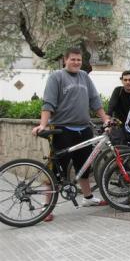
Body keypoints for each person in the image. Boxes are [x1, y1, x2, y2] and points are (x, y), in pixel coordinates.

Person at [32, 47, 110, 221]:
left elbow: (95, 101)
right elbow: (48, 103)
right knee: (56, 170)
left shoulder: (84, 77)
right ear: (65, 60)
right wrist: (43, 125)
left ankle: (88, 198)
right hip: (62, 130)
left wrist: (105, 119)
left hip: (84, 129)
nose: (76, 62)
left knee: (84, 166)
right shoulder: (56, 77)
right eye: (73, 59)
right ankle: (46, 207)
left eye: (79, 60)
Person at [107, 70, 130, 144]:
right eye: (125, 80)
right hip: (118, 125)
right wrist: (107, 122)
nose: (127, 82)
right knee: (118, 148)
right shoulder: (118, 90)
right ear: (122, 81)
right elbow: (111, 106)